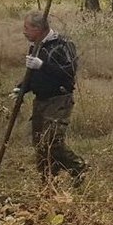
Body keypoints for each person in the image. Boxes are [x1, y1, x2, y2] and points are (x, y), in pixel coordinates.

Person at [17, 10, 87, 187]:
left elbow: (68, 73)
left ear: (39, 28)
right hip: (40, 100)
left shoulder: (62, 44)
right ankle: (49, 184)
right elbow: (35, 76)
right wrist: (22, 87)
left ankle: (78, 167)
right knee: (41, 145)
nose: (24, 31)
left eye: (27, 28)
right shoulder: (36, 45)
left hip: (59, 100)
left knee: (52, 142)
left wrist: (43, 65)